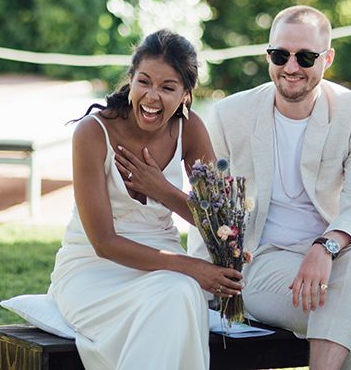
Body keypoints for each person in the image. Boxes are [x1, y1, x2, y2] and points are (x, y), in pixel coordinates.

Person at [190, 5, 351, 370]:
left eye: (306, 57)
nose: (291, 67)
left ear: (327, 58)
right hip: (262, 258)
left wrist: (324, 248)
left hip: (343, 251)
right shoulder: (230, 115)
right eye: (280, 55)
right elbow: (206, 206)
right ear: (268, 54)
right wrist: (208, 277)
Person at [48, 29, 243, 370]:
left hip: (166, 271)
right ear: (131, 79)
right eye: (144, 82)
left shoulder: (190, 129)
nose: (152, 97)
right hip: (94, 271)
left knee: (178, 294)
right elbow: (104, 243)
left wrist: (162, 190)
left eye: (168, 88)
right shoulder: (93, 133)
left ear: (186, 93)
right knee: (179, 293)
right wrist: (193, 268)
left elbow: (221, 224)